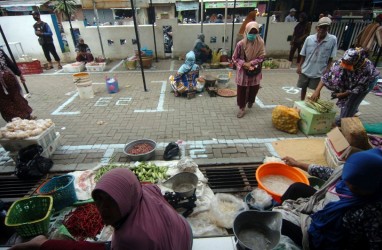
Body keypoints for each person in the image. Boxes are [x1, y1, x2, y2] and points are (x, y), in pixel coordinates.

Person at [10, 168, 193, 250]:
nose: (102, 209)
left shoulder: (128, 239)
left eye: (111, 201)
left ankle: (40, 244)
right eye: (98, 199)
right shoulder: (147, 190)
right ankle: (41, 243)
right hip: (184, 234)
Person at [277, 148, 382, 249]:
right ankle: (278, 209)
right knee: (297, 188)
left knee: (278, 220)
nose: (344, 181)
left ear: (364, 185)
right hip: (324, 208)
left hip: (326, 235)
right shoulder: (351, 176)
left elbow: (375, 242)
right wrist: (297, 163)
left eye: (349, 182)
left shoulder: (372, 212)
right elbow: (328, 172)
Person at [310, 48, 380, 126]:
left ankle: (343, 121)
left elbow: (358, 89)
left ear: (355, 62)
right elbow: (326, 76)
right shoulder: (342, 62)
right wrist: (317, 91)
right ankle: (353, 111)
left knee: (351, 101)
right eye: (344, 63)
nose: (344, 65)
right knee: (343, 94)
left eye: (348, 64)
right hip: (352, 79)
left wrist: (342, 94)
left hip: (367, 83)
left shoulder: (366, 69)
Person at [296, 17, 337, 100]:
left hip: (320, 70)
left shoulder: (332, 39)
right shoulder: (309, 39)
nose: (322, 30)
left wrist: (328, 68)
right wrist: (299, 66)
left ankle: (315, 104)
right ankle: (302, 101)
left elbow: (331, 56)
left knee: (316, 90)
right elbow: (303, 54)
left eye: (325, 28)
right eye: (320, 27)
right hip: (306, 68)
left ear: (328, 28)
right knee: (303, 87)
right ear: (317, 28)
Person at [232, 21, 266, 118]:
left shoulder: (260, 42)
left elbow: (262, 56)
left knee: (254, 89)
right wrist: (244, 64)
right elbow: (234, 58)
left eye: (255, 33)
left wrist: (251, 63)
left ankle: (251, 101)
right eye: (251, 32)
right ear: (246, 32)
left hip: (255, 70)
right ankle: (242, 108)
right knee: (241, 91)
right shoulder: (241, 44)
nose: (253, 35)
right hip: (243, 71)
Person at [0, 49, 34, 122]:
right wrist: (19, 74)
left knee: (4, 101)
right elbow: (10, 63)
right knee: (16, 96)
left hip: (5, 80)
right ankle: (26, 116)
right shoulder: (0, 51)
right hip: (8, 76)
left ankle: (15, 120)